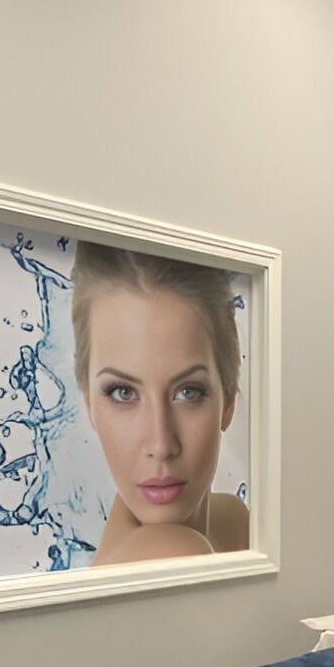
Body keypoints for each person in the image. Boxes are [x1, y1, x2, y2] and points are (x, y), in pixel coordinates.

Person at [70, 242, 249, 565]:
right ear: (89, 405)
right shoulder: (177, 551)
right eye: (123, 392)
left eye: (188, 392)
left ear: (228, 400)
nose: (161, 444)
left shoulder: (232, 518)